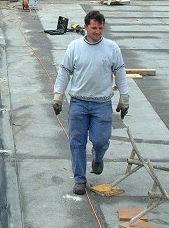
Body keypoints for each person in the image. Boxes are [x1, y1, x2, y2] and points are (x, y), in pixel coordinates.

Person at [51, 10, 129, 195]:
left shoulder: (112, 48)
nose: (97, 31)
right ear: (86, 27)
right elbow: (64, 71)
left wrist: (124, 97)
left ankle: (97, 157)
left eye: (100, 28)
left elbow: (120, 72)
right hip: (78, 103)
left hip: (101, 104)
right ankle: (79, 179)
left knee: (101, 140)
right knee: (77, 142)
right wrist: (58, 95)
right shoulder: (74, 47)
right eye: (94, 28)